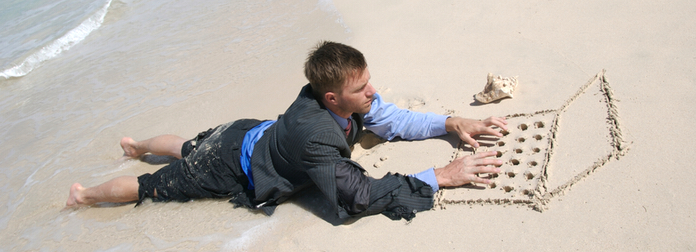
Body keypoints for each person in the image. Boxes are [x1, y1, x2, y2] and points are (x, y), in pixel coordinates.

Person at [66, 41, 507, 221]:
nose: (373, 91)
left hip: (246, 132)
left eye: (368, 79)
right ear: (331, 98)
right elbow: (357, 197)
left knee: (186, 145)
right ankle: (83, 194)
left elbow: (390, 119)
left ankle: (136, 144)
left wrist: (449, 122)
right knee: (151, 185)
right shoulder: (313, 135)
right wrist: (441, 176)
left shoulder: (334, 95)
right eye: (361, 88)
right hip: (230, 163)